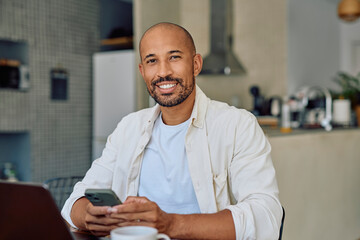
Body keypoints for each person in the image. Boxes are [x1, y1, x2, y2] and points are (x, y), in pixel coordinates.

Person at [62, 22, 282, 240]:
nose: (163, 72)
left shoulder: (237, 125)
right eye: (152, 61)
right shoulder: (128, 128)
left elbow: (266, 217)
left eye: (174, 57)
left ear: (196, 64)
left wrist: (170, 224)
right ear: (142, 70)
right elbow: (74, 203)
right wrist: (89, 216)